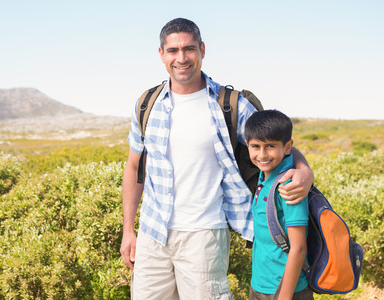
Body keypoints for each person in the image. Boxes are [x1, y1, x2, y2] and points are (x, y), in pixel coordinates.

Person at [120, 18, 314, 300]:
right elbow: (134, 166)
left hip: (204, 233)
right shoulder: (146, 104)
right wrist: (129, 230)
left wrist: (304, 169)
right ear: (161, 55)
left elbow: (275, 142)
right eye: (173, 51)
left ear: (202, 50)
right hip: (152, 233)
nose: (181, 58)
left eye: (189, 49)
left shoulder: (230, 104)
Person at [245, 110, 313, 300]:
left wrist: (284, 296)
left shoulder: (290, 185)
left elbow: (299, 247)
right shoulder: (264, 176)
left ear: (288, 147)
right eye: (255, 146)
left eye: (270, 146)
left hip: (286, 290)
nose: (262, 154)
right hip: (260, 285)